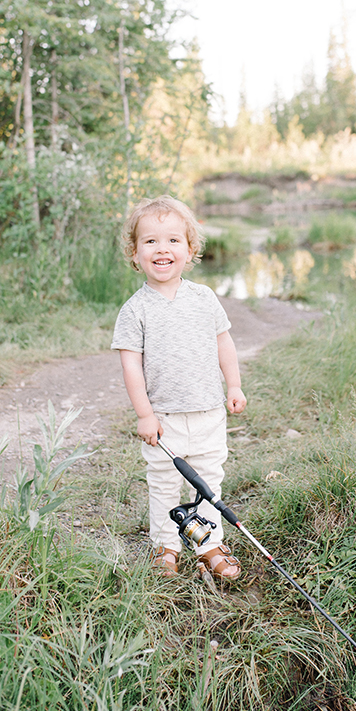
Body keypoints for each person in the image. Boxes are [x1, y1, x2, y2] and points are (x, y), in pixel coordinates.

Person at [111, 195, 247, 579]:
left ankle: (209, 545)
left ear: (190, 250)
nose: (162, 249)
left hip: (208, 412)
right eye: (150, 241)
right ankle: (167, 546)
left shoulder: (204, 298)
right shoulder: (134, 310)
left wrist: (233, 385)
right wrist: (144, 414)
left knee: (208, 481)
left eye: (173, 240)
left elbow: (224, 343)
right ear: (135, 253)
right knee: (165, 484)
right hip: (164, 419)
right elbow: (131, 366)